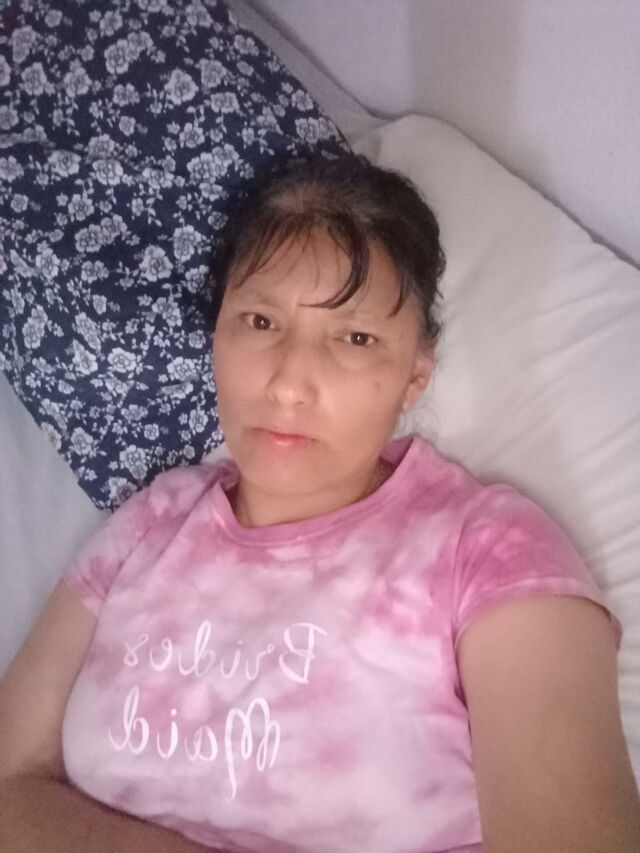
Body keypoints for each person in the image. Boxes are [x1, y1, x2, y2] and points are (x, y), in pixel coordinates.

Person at [1, 155, 639, 853]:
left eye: (354, 338)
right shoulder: (152, 521)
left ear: (415, 374)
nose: (289, 382)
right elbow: (8, 782)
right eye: (260, 321)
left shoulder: (487, 549)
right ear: (216, 337)